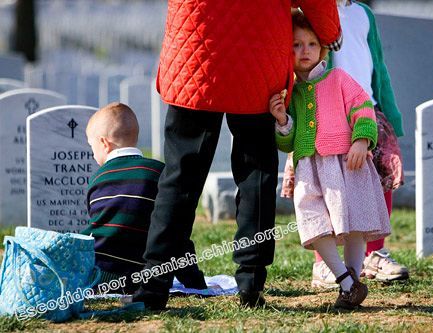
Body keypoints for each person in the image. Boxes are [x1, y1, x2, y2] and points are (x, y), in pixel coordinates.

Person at [132, 0, 342, 310]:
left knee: (179, 176)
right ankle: (250, 283)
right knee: (256, 174)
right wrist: (329, 30)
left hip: (196, 47)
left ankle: (152, 287)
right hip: (259, 50)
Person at [281, 0, 408, 288]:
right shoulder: (313, 9)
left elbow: (378, 64)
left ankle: (374, 253)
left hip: (365, 106)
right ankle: (323, 264)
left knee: (377, 177)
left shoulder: (364, 13)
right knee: (322, 186)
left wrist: (390, 111)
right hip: (324, 111)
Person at [82, 102, 206, 293]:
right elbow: (176, 232)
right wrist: (194, 281)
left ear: (104, 143)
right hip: (147, 277)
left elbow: (95, 230)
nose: (92, 155)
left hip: (102, 276)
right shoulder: (160, 173)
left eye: (92, 147)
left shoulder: (98, 179)